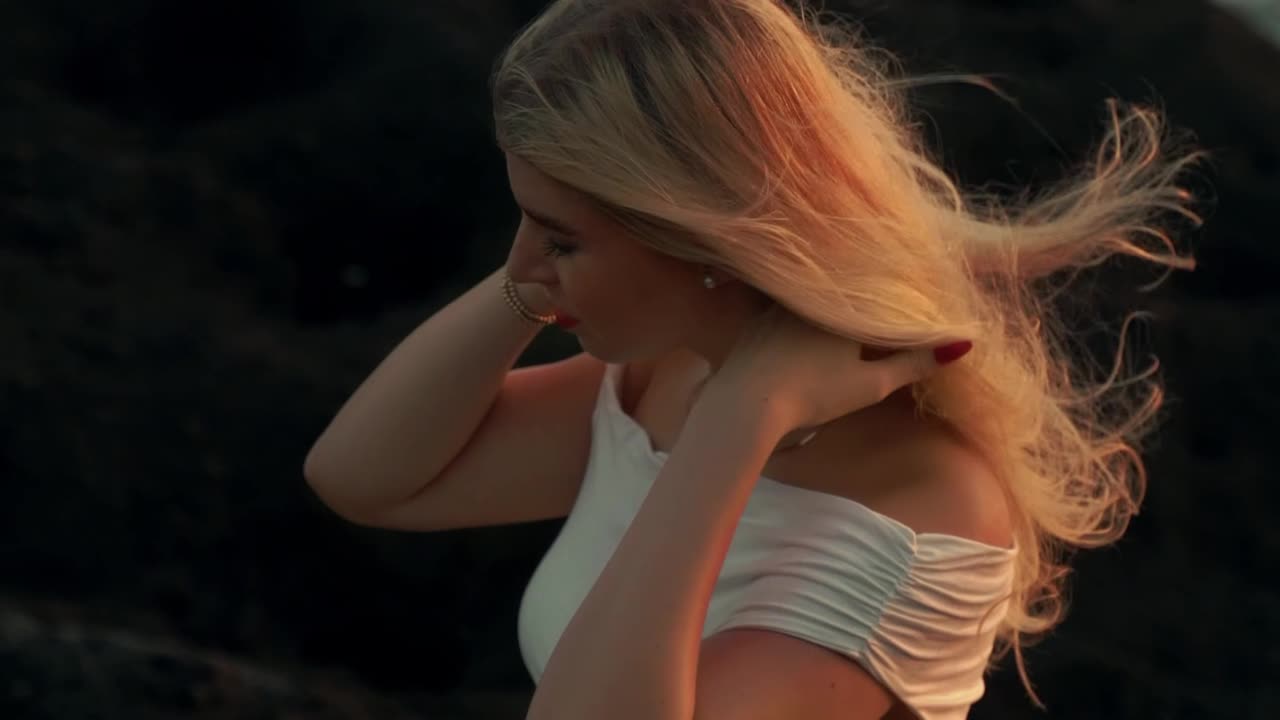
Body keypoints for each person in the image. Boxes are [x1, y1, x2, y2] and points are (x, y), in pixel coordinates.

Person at [304, 1, 1207, 717]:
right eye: (525, 225)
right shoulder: (672, 371)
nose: (528, 263)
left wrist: (738, 424)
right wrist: (528, 288)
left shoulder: (915, 520)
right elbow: (365, 479)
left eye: (561, 238)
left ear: (703, 240)